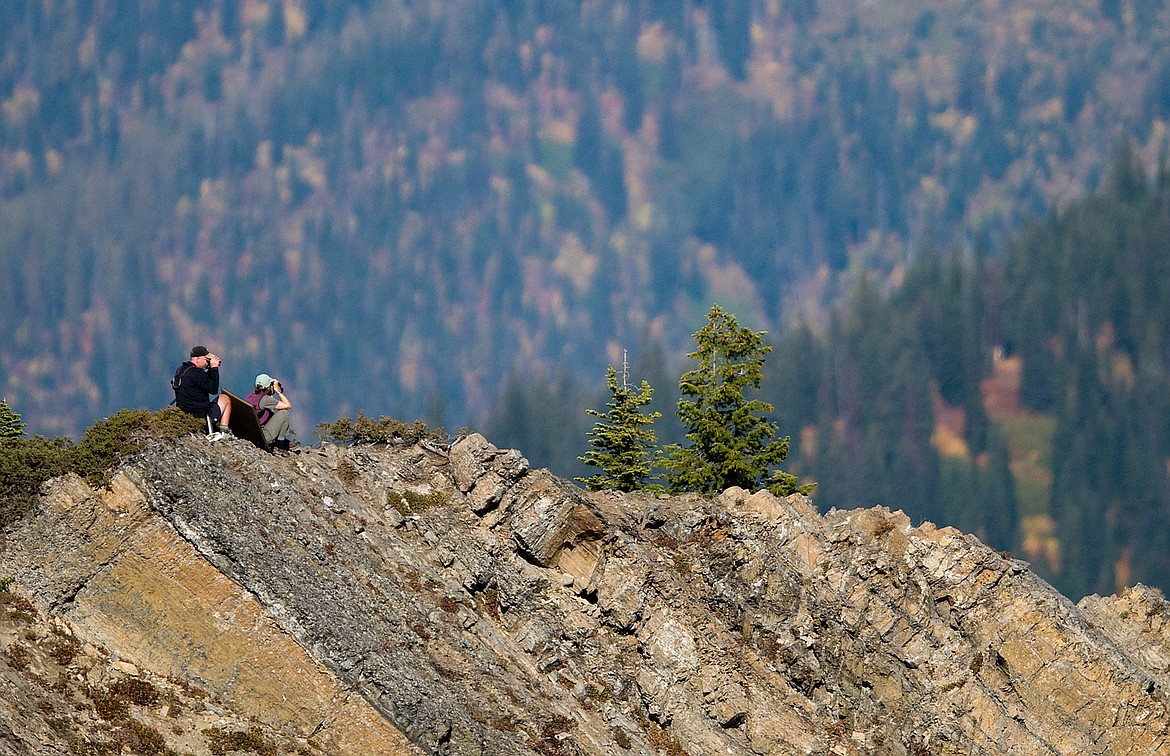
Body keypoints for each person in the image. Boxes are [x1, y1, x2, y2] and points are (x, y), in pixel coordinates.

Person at [172, 345, 232, 439]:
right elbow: (213, 389)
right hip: (202, 416)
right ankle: (224, 431)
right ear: (198, 359)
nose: (206, 362)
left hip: (184, 415)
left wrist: (209, 369)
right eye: (206, 359)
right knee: (225, 399)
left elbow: (200, 383)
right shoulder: (198, 373)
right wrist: (214, 369)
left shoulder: (180, 370)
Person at [245, 373, 294, 450]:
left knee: (271, 413)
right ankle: (280, 444)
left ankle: (281, 441)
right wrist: (278, 391)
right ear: (268, 388)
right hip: (262, 437)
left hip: (250, 433)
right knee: (284, 413)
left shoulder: (251, 396)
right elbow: (287, 405)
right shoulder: (265, 400)